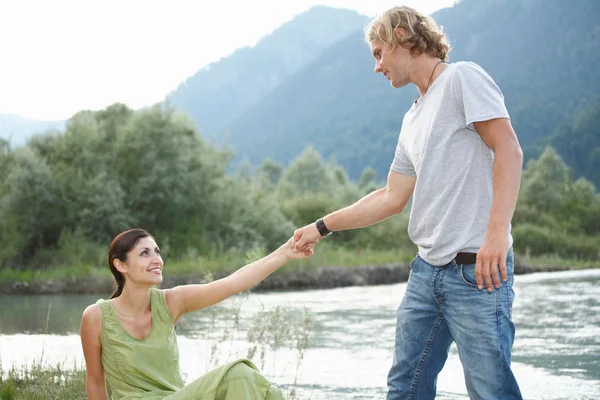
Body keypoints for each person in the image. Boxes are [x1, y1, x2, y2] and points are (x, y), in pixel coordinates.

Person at [292, 5, 524, 400]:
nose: (377, 67)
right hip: (425, 274)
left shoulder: (462, 78)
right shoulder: (411, 119)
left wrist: (497, 234)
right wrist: (321, 226)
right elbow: (390, 197)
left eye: (378, 54)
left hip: (477, 270)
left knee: (490, 392)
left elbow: (509, 150)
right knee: (404, 388)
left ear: (401, 35)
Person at [80, 228, 313, 400]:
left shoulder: (171, 302)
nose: (156, 260)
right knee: (239, 374)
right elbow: (95, 381)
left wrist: (285, 252)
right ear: (121, 265)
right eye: (144, 253)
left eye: (157, 252)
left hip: (175, 397)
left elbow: (232, 283)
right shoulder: (96, 317)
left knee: (266, 392)